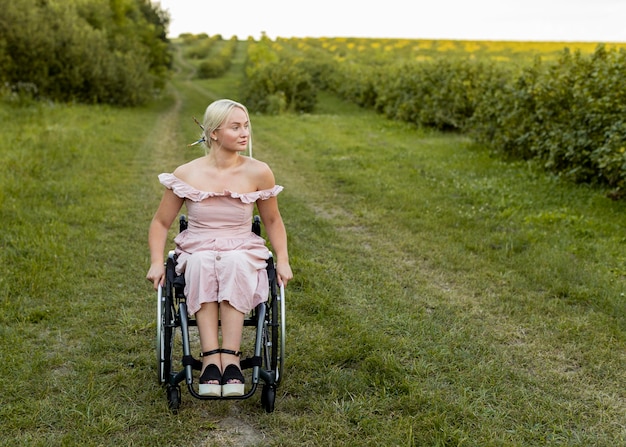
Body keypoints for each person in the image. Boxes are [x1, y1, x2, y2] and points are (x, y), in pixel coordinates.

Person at [146, 99, 292, 397]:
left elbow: (274, 221)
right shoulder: (187, 173)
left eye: (246, 126)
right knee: (200, 263)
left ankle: (232, 359)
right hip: (198, 243)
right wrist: (156, 262)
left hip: (241, 243)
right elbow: (161, 222)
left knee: (235, 263)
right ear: (213, 133)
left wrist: (284, 260)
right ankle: (211, 358)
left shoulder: (258, 172)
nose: (244, 133)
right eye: (235, 127)